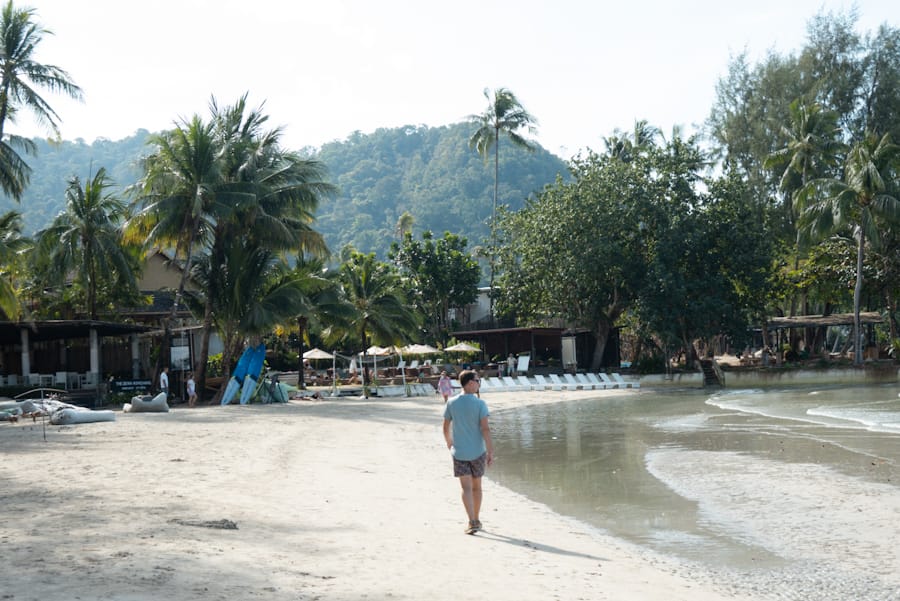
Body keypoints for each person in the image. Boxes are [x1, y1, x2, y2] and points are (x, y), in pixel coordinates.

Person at [442, 370, 493, 535]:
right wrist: (490, 451)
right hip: (478, 452)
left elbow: (445, 427)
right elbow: (485, 429)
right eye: (478, 381)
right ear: (470, 383)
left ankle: (472, 521)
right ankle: (476, 519)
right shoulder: (480, 404)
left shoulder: (451, 402)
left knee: (466, 488)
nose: (479, 384)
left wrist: (449, 444)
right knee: (477, 487)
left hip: (460, 452)